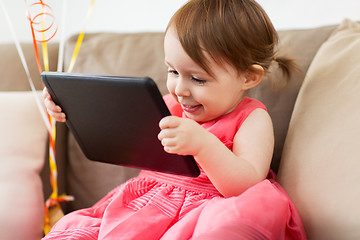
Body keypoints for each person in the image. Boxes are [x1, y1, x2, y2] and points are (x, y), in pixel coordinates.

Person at [43, 0, 306, 239]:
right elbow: (115, 133)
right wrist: (69, 108)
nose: (179, 89)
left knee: (226, 229)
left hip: (208, 210)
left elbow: (245, 185)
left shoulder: (251, 117)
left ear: (248, 77)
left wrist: (203, 145)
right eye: (173, 71)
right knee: (75, 233)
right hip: (149, 207)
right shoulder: (167, 106)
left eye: (198, 78)